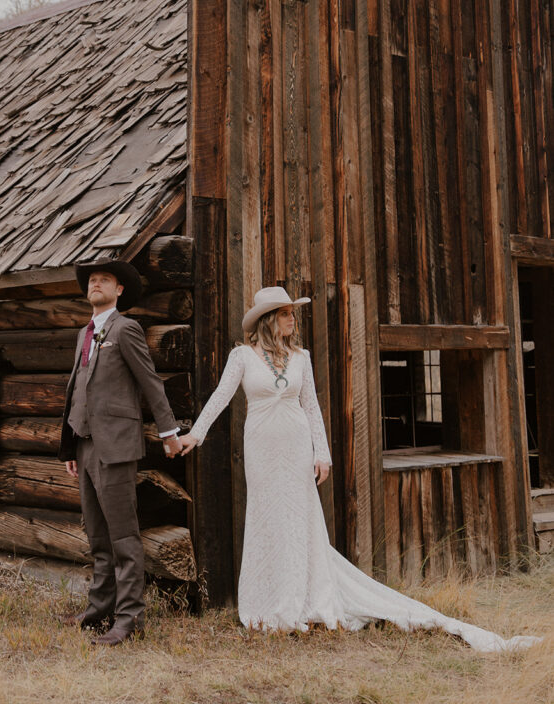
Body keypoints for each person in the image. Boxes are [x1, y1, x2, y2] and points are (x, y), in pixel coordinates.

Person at [179, 286, 541, 652]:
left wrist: (322, 453)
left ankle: (303, 599)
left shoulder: (301, 357)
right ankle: (268, 603)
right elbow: (220, 398)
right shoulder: (242, 357)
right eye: (287, 313)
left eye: (293, 313)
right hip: (261, 449)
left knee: (298, 519)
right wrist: (195, 434)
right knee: (268, 519)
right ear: (270, 319)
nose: (293, 319)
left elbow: (311, 408)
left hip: (296, 448)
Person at [59, 258, 182, 645]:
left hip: (116, 448)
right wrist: (69, 445)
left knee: (123, 538)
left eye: (104, 280)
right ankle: (99, 610)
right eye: (92, 280)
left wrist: (169, 433)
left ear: (119, 290)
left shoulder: (125, 329)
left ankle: (129, 620)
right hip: (85, 446)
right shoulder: (84, 334)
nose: (96, 284)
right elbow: (76, 392)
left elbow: (150, 384)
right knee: (97, 536)